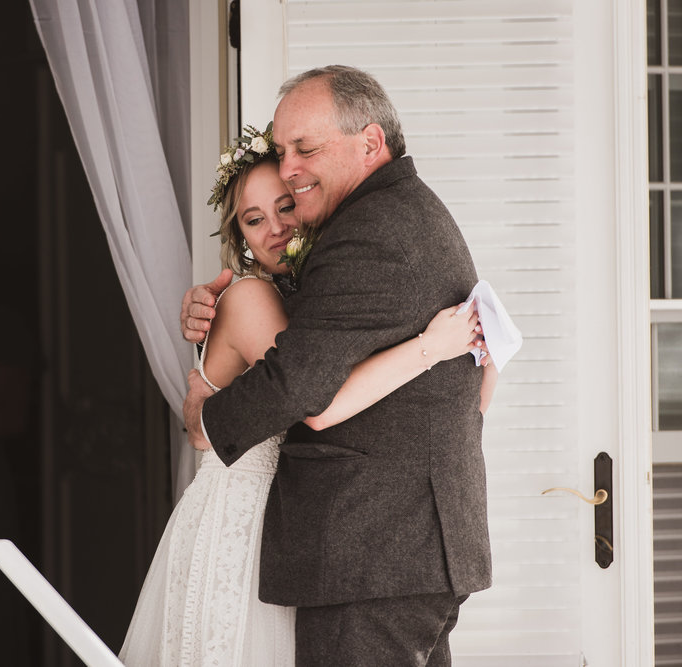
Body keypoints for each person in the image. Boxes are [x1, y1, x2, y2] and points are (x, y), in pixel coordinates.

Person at [121, 124, 493, 666]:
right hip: (247, 524)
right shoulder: (251, 299)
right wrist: (431, 347)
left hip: (307, 521)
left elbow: (467, 406)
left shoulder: (318, 298)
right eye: (253, 220)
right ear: (238, 238)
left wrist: (480, 348)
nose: (274, 229)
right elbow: (321, 400)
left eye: (285, 205)